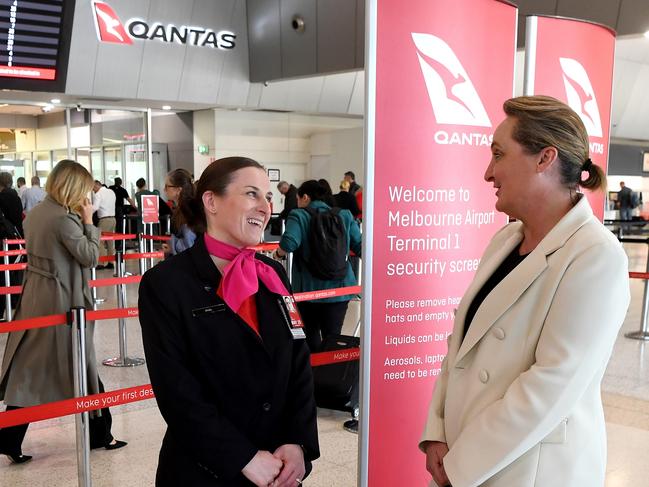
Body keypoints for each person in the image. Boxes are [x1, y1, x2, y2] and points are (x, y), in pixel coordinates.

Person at [420, 96, 630, 487]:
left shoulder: (596, 256)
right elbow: (461, 347)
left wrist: (462, 463)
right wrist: (437, 432)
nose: (488, 172)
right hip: (465, 455)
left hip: (529, 469)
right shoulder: (505, 240)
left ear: (544, 159)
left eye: (498, 154)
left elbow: (551, 386)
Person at [138, 157, 319, 486]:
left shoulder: (273, 274)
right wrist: (242, 457)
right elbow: (176, 389)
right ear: (211, 202)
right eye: (251, 193)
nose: (265, 206)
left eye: (267, 196)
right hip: (205, 469)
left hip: (279, 468)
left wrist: (298, 442)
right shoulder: (167, 283)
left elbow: (298, 361)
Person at [0, 160, 127, 464]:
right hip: (63, 301)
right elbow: (90, 256)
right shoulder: (63, 219)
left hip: (37, 298)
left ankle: (11, 436)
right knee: (81, 364)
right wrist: (88, 221)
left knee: (34, 368)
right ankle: (100, 433)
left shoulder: (37, 214)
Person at [275, 180, 362, 352]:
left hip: (308, 291)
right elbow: (360, 246)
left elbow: (289, 242)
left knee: (310, 337)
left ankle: (313, 375)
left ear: (305, 197)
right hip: (340, 289)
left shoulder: (299, 215)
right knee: (333, 337)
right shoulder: (344, 215)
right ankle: (331, 375)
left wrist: (277, 255)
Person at [161, 168, 196, 256]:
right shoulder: (185, 208)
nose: (164, 190)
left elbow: (189, 242)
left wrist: (172, 247)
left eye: (167, 186)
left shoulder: (187, 210)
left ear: (178, 190)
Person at [92, 180, 116, 270]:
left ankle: (100, 263)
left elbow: (95, 207)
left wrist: (85, 213)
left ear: (96, 186)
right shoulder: (111, 192)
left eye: (93, 188)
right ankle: (110, 262)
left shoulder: (98, 194)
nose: (93, 191)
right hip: (113, 219)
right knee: (110, 242)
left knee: (99, 241)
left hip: (104, 220)